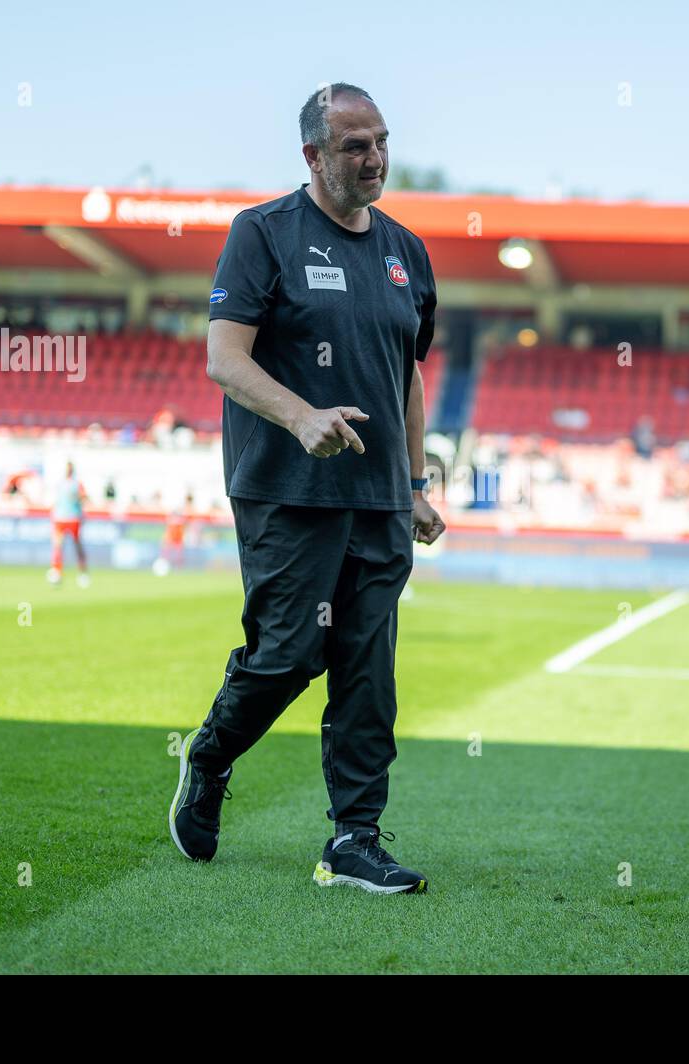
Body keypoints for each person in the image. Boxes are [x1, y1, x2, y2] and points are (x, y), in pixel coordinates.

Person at [169, 82, 444, 894]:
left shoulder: (407, 251)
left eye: (382, 141)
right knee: (290, 654)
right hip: (288, 490)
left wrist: (415, 483)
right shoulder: (262, 234)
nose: (375, 158)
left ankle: (354, 837)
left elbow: (409, 377)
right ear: (314, 157)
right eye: (355, 145)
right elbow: (225, 359)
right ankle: (211, 755)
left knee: (367, 664)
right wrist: (301, 417)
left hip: (379, 502)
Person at [47, 461, 89, 587]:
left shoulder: (77, 484)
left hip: (73, 518)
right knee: (58, 546)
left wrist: (78, 500)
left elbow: (84, 498)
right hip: (60, 518)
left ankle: (82, 573)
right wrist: (53, 513)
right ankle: (57, 571)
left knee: (77, 546)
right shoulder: (60, 484)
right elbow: (56, 500)